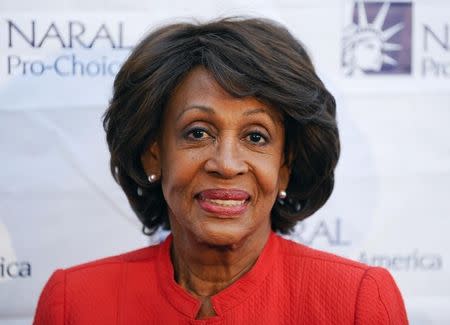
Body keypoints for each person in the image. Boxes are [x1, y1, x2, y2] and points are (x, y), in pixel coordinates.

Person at [33, 17, 408, 324]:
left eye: (256, 137)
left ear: (285, 166)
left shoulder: (357, 303)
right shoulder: (74, 304)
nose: (226, 164)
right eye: (198, 133)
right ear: (154, 155)